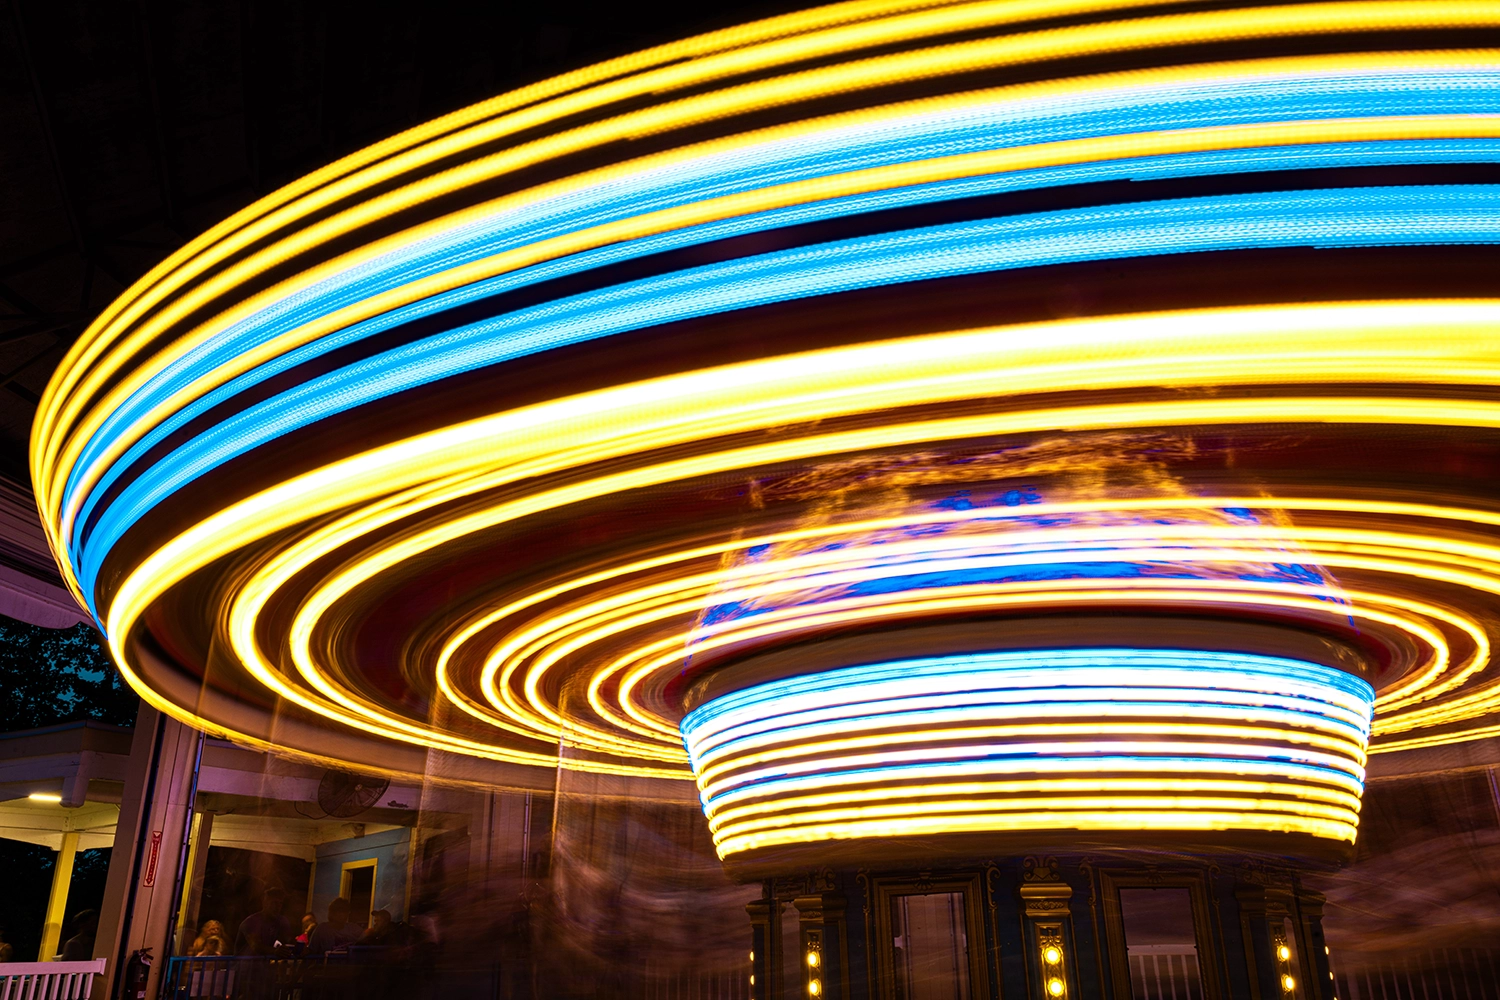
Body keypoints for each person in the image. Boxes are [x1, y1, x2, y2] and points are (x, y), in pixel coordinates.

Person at [234, 888, 293, 956]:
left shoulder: (281, 920)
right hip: (242, 964)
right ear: (264, 903)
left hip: (261, 965)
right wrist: (275, 951)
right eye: (274, 903)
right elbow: (256, 946)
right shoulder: (251, 922)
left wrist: (301, 948)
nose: (277, 907)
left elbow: (289, 939)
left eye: (280, 903)